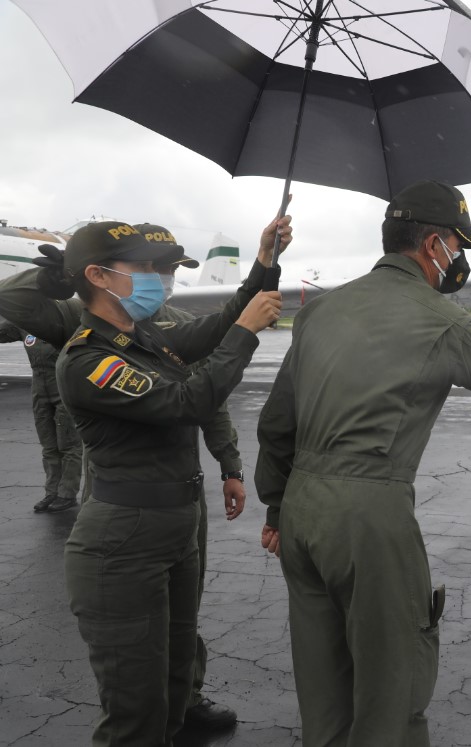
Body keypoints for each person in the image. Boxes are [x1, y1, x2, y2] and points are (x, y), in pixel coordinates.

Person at [255, 179, 471, 746]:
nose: (459, 261)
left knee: (323, 690)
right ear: (435, 245)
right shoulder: (441, 318)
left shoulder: (321, 310)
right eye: (459, 247)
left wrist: (276, 509)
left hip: (300, 512)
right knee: (392, 690)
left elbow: (276, 425)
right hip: (369, 513)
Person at [36, 217, 285, 747]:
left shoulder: (144, 335)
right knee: (136, 712)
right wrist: (246, 333)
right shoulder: (88, 359)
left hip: (174, 532)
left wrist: (265, 261)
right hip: (122, 545)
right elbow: (186, 402)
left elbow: (215, 325)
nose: (157, 278)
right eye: (145, 268)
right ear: (99, 276)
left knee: (173, 684)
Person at [144, 224, 246, 729]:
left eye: (171, 270)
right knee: (134, 614)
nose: (164, 279)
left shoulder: (186, 325)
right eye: (155, 268)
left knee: (185, 608)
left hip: (185, 491)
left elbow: (212, 402)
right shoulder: (93, 329)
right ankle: (138, 711)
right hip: (126, 496)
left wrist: (230, 465)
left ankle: (186, 699)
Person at [0, 320, 82, 512]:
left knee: (68, 444)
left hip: (63, 384)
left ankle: (67, 493)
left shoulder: (65, 319)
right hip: (39, 386)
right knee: (48, 444)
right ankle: (52, 492)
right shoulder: (24, 322)